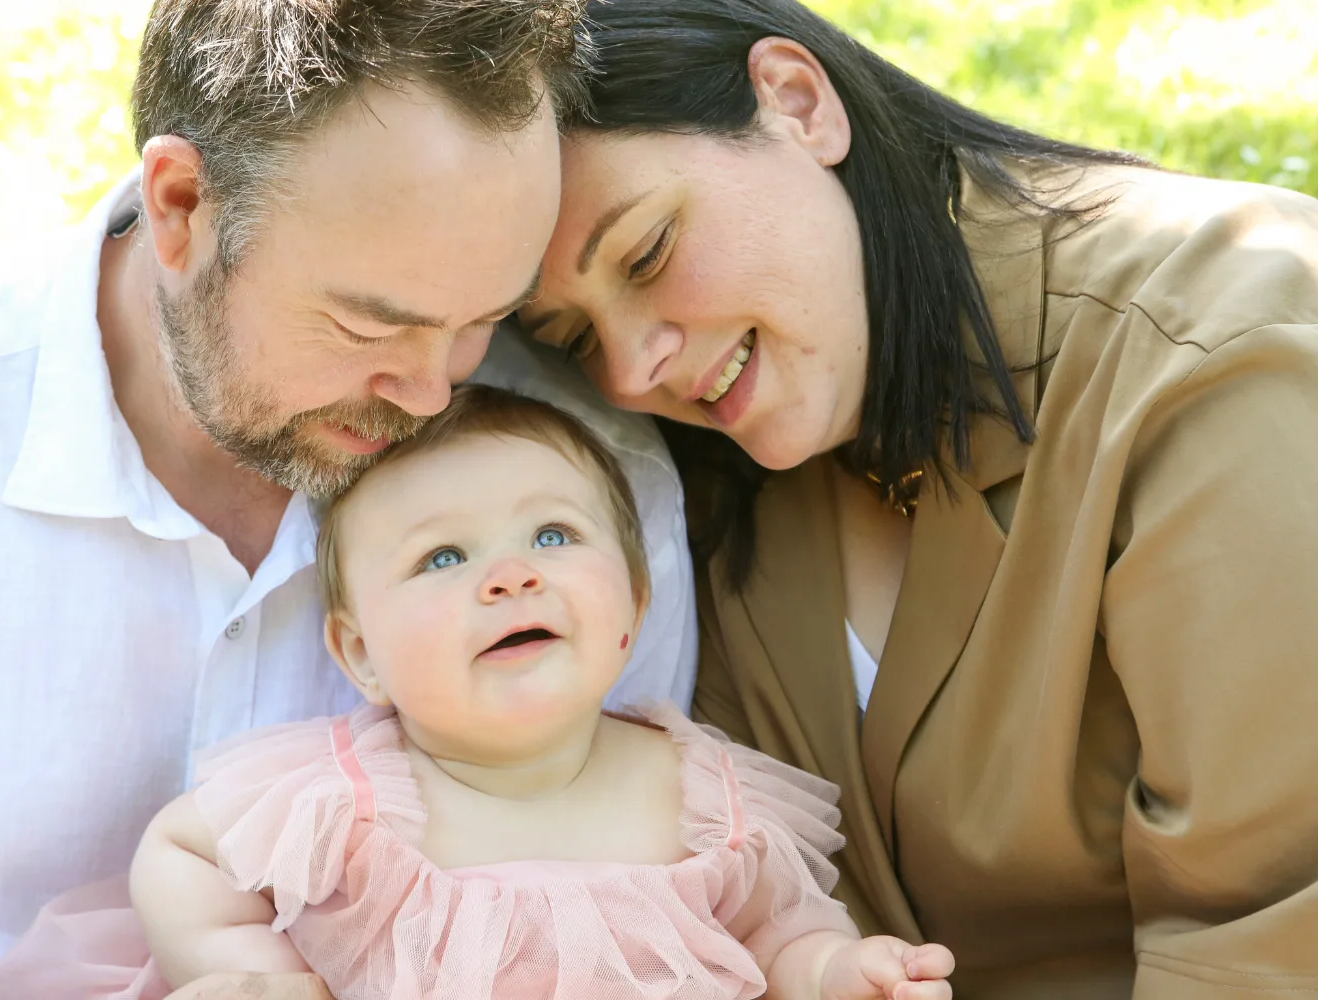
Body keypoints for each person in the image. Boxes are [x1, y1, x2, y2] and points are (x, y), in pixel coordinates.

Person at [0, 3, 697, 998]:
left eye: (483, 321)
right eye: (371, 326)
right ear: (183, 204)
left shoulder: (582, 482)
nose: (433, 393)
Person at [516, 0, 1318, 997]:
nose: (634, 371)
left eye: (646, 254)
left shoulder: (1216, 352)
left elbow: (1266, 939)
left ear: (798, 102)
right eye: (574, 341)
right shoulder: (707, 474)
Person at [0, 385, 956, 1000]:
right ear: (359, 653)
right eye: (444, 556)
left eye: (551, 537)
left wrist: (836, 970)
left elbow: (784, 922)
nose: (509, 577)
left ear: (634, 604)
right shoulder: (346, 800)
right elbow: (182, 849)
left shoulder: (712, 799)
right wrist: (247, 975)